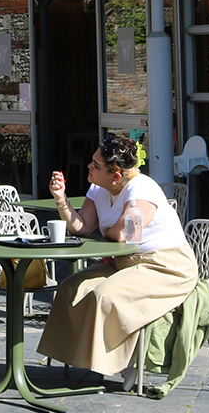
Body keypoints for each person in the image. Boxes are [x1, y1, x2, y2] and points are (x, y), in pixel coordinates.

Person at [37, 136, 196, 385]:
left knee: (105, 295)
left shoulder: (142, 188)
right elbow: (83, 227)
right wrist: (61, 199)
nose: (90, 167)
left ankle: (124, 362)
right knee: (71, 287)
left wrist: (111, 237)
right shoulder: (98, 189)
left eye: (96, 165)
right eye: (92, 161)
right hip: (122, 261)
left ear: (117, 176)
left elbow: (127, 234)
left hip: (165, 266)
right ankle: (72, 357)